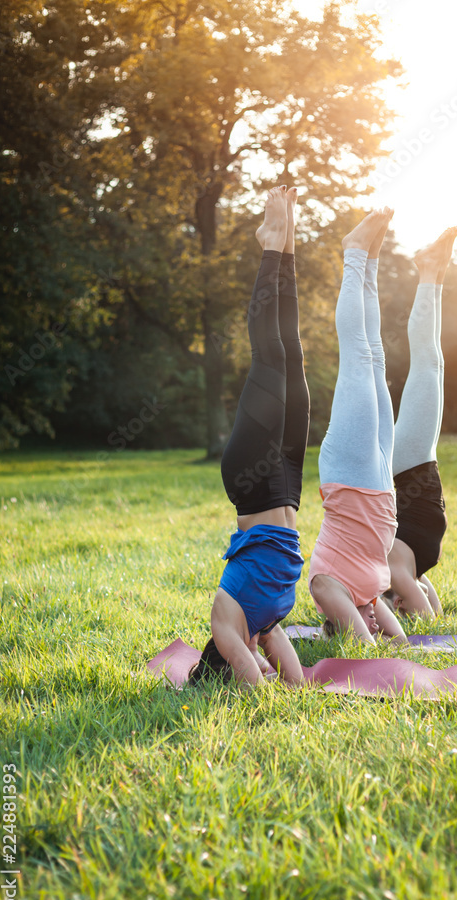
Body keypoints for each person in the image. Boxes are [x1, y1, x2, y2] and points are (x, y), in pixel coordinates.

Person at [190, 186, 310, 687]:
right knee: (292, 357)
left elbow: (252, 676)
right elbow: (294, 678)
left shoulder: (226, 625)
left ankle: (271, 242)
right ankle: (287, 247)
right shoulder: (265, 622)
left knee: (267, 357)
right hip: (285, 487)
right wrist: (292, 688)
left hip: (251, 478)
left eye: (246, 658)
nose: (259, 658)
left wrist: (256, 682)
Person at [308, 208, 408, 645]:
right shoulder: (369, 593)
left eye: (360, 625)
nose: (373, 626)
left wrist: (358, 631)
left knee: (359, 357)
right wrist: (374, 618)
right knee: (377, 356)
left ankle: (353, 254)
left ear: (337, 624)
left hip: (350, 477)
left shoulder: (326, 588)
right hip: (379, 482)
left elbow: (369, 647)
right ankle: (371, 262)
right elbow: (400, 642)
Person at [384, 226, 457, 619]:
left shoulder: (395, 571)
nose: (409, 602)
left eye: (401, 607)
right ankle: (436, 275)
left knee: (427, 363)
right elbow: (435, 612)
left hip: (410, 468)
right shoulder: (413, 572)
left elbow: (429, 623)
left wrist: (414, 620)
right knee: (434, 363)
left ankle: (428, 273)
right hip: (418, 467)